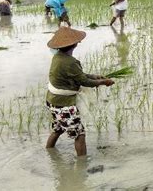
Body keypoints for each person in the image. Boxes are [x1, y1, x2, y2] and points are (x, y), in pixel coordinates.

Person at [45, 27, 114, 156]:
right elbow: (84, 82)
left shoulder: (57, 57)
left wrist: (95, 76)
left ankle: (49, 153)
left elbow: (78, 75)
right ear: (75, 44)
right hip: (63, 105)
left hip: (52, 101)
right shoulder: (70, 62)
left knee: (58, 129)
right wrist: (104, 82)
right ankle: (82, 167)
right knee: (80, 134)